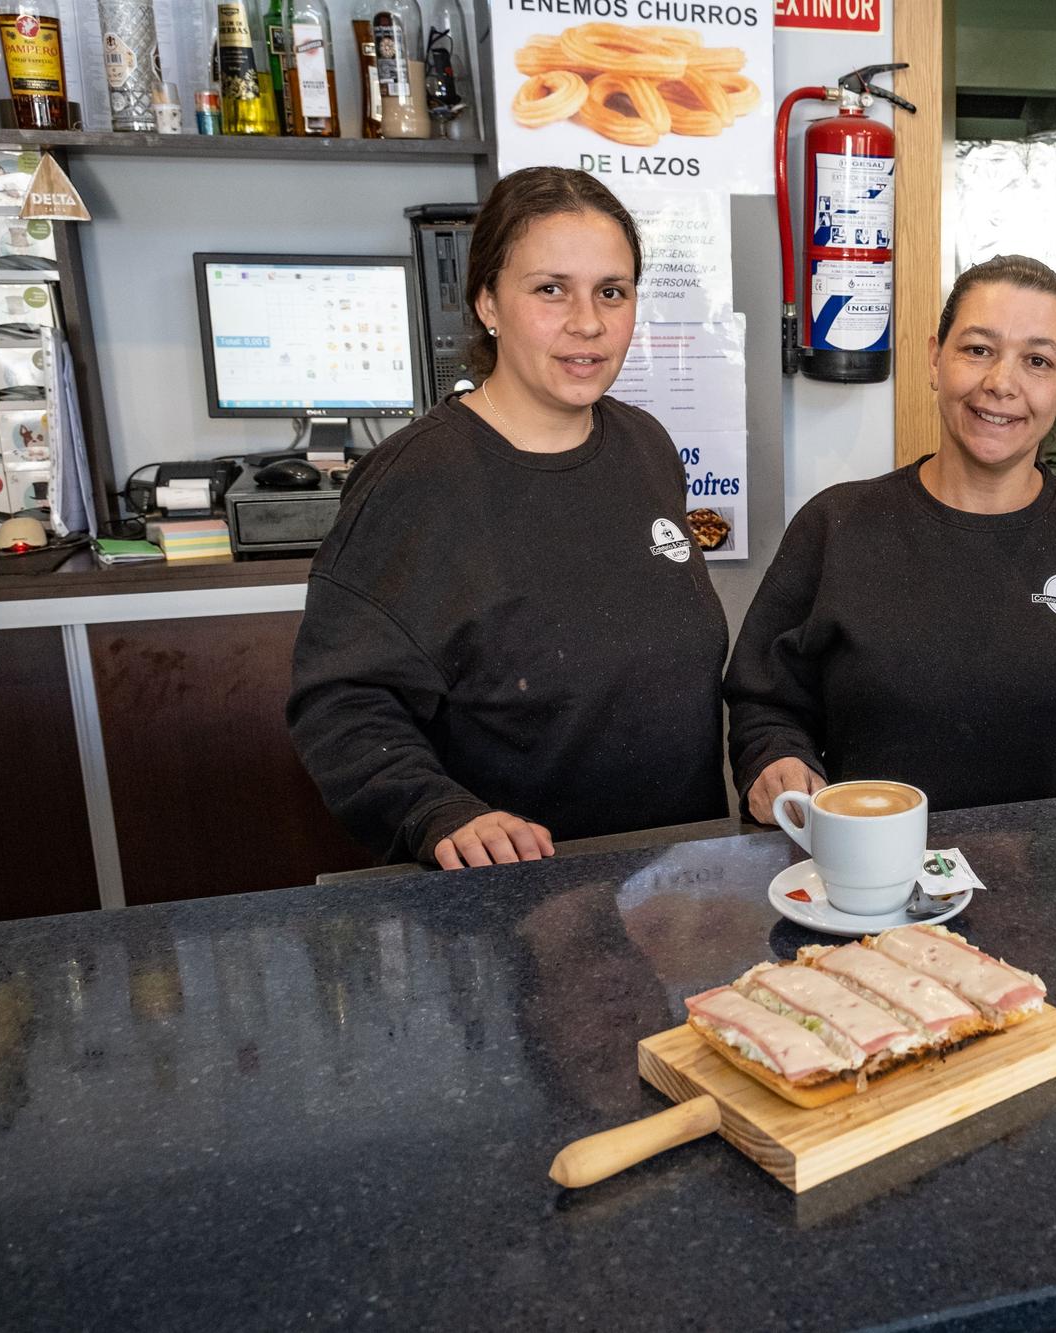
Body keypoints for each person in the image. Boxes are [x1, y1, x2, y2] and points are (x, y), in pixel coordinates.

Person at [288, 167, 728, 870]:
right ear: (488, 301)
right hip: (514, 900)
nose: (587, 322)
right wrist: (437, 810)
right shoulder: (418, 479)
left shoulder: (645, 445)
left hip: (671, 886)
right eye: (550, 289)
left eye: (610, 292)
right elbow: (343, 702)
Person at [726, 254, 1056, 824]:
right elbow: (765, 705)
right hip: (875, 891)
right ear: (935, 359)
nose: (1001, 384)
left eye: (1037, 360)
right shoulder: (838, 525)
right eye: (977, 350)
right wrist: (776, 760)